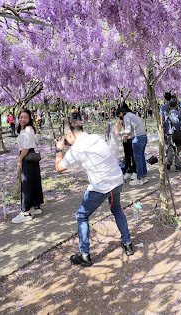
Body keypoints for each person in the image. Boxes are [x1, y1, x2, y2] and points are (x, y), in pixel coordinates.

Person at [55, 119, 134, 267]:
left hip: (100, 187)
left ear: (68, 134)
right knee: (117, 209)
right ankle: (127, 244)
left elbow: (59, 168)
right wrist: (69, 148)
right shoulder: (95, 137)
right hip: (117, 180)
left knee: (82, 215)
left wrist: (59, 150)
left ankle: (85, 255)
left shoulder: (76, 149)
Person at [12, 109, 44, 223]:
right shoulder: (24, 129)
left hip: (27, 157)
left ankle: (25, 212)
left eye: (25, 117)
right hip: (30, 158)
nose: (22, 119)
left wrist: (20, 159)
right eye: (20, 117)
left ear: (30, 118)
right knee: (33, 181)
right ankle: (35, 206)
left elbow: (26, 147)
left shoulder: (29, 129)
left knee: (26, 184)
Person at [116, 105, 148, 186]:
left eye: (118, 115)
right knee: (142, 158)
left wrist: (120, 133)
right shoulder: (132, 115)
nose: (119, 118)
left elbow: (128, 130)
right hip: (144, 136)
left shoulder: (126, 116)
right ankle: (144, 177)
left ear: (121, 113)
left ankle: (139, 179)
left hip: (138, 138)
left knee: (137, 159)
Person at [115, 104, 136, 181]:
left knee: (133, 155)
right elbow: (117, 127)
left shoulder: (130, 116)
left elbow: (133, 129)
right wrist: (117, 131)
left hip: (132, 138)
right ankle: (128, 170)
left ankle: (134, 171)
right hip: (125, 139)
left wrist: (129, 136)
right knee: (127, 155)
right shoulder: (120, 118)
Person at [165, 99, 181, 171]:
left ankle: (168, 162)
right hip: (177, 134)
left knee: (170, 148)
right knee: (178, 150)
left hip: (169, 134)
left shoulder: (166, 114)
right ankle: (178, 166)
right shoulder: (179, 114)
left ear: (169, 106)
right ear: (176, 105)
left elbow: (164, 125)